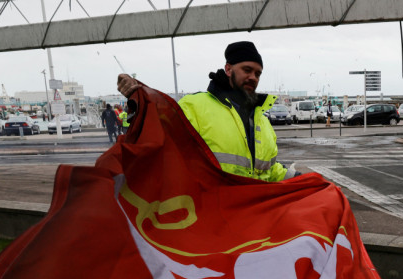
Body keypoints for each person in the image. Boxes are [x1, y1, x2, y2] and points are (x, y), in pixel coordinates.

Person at [117, 41, 294, 182]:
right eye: (247, 70)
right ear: (228, 69)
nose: (253, 78)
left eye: (258, 73)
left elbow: (269, 170)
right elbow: (156, 138)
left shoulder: (261, 120)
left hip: (251, 217)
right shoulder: (193, 107)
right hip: (210, 216)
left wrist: (299, 178)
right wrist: (138, 99)